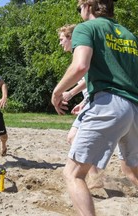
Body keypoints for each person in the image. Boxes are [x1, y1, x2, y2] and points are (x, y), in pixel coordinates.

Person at [51, 0, 138, 215]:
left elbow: (80, 65)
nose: (79, 11)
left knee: (72, 174)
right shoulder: (129, 35)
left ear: (88, 5)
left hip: (109, 104)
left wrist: (57, 92)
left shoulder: (86, 28)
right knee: (133, 171)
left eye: (78, 6)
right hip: (134, 107)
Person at [58, 24, 103, 189]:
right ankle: (96, 177)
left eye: (62, 39)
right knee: (73, 138)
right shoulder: (80, 53)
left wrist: (69, 93)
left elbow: (87, 79)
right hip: (92, 101)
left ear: (71, 38)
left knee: (75, 138)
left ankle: (96, 178)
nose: (60, 43)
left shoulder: (83, 53)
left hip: (100, 102)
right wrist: (83, 102)